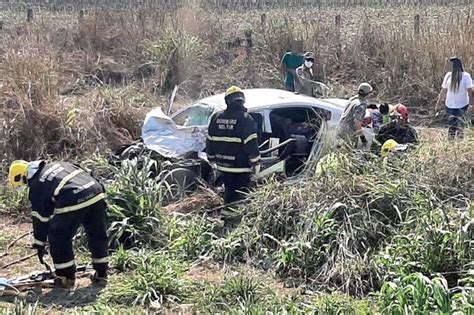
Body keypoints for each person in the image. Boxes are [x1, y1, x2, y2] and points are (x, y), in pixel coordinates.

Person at [8, 160, 109, 288]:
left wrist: (39, 243)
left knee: (58, 237)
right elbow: (84, 172)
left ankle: (65, 277)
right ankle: (102, 273)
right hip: (96, 191)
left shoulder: (37, 184)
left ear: (23, 176)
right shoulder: (58, 164)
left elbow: (41, 218)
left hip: (74, 196)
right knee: (97, 234)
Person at [206, 86, 261, 203]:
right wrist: (256, 163)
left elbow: (210, 141)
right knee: (241, 199)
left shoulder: (216, 118)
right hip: (240, 168)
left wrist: (211, 159)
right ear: (242, 101)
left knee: (228, 194)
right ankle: (233, 219)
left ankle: (226, 216)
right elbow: (251, 144)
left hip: (223, 167)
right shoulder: (246, 119)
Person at [435, 57, 473, 140]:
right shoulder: (449, 75)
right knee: (454, 125)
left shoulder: (466, 76)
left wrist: (471, 104)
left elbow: (470, 92)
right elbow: (443, 91)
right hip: (453, 104)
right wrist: (438, 104)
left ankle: (456, 143)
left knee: (458, 126)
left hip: (460, 105)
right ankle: (453, 143)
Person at [338, 83, 374, 148]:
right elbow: (357, 123)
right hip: (348, 134)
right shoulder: (361, 106)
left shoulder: (353, 99)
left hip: (341, 129)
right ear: (367, 94)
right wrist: (363, 138)